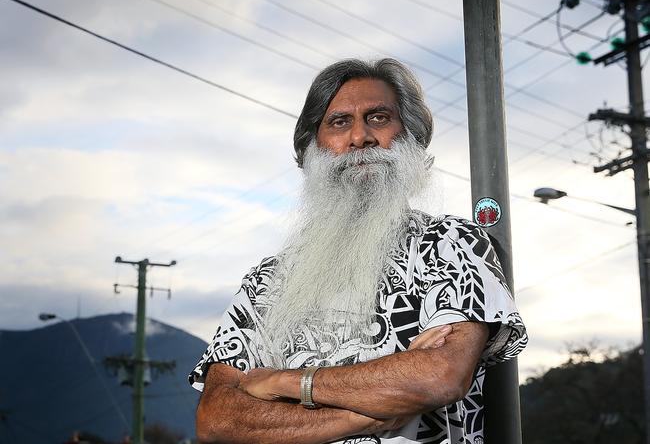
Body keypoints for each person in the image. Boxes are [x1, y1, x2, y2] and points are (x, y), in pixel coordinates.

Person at [188, 58, 528, 444]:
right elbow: (216, 420)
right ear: (312, 147)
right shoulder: (266, 283)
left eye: (379, 118)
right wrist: (366, 414)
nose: (359, 137)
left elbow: (439, 376)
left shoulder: (450, 243)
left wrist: (281, 382)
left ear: (409, 137)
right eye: (338, 122)